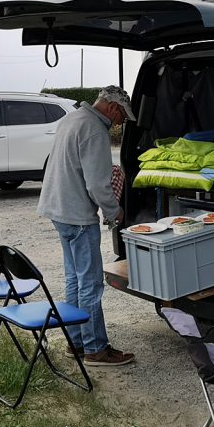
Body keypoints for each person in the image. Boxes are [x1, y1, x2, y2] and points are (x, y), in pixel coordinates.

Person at [37, 85, 136, 366]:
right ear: (113, 108)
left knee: (74, 279)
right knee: (90, 283)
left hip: (58, 210)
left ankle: (76, 342)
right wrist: (114, 211)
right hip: (78, 216)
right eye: (122, 117)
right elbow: (96, 183)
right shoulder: (94, 130)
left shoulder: (73, 118)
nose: (120, 123)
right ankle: (96, 349)